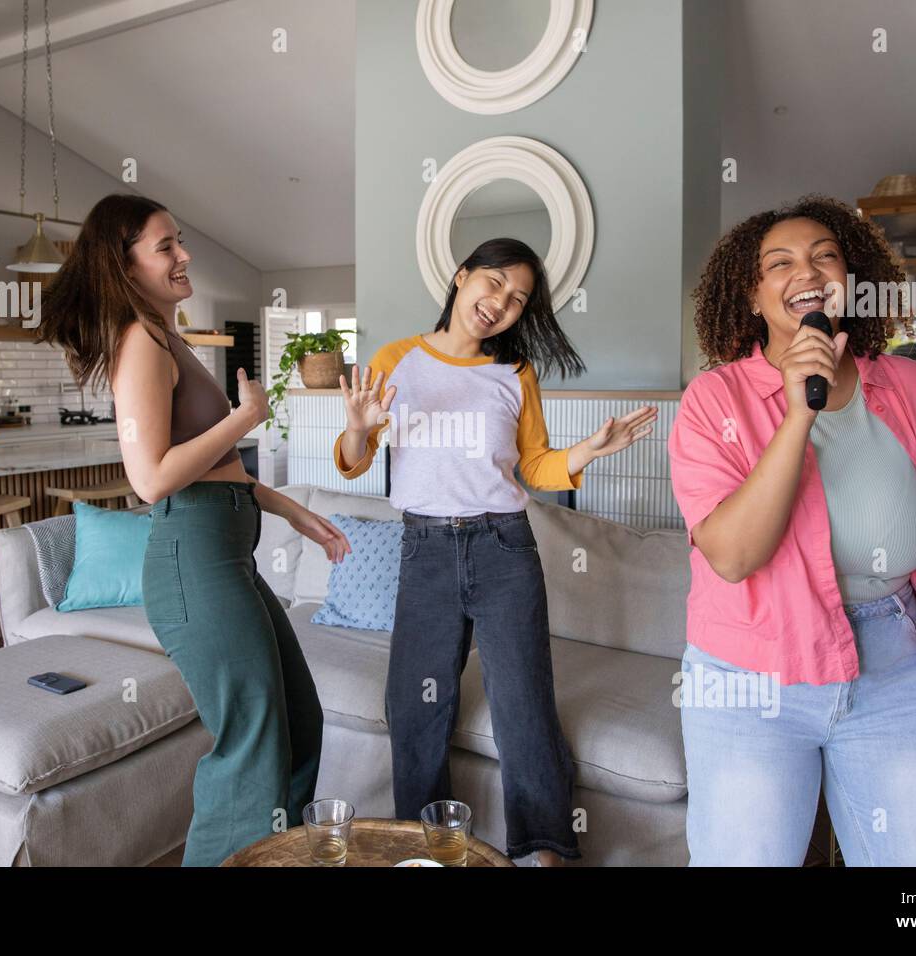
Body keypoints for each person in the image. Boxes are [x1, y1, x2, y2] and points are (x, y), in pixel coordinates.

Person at [668, 194, 916, 865]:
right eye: (780, 262)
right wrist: (797, 415)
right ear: (753, 297)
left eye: (826, 256)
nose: (809, 271)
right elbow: (733, 556)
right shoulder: (715, 400)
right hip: (750, 683)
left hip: (896, 673)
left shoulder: (913, 388)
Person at [37, 193, 351, 865]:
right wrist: (247, 416)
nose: (184, 255)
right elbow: (150, 478)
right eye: (165, 247)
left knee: (299, 722)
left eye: (180, 241)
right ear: (125, 269)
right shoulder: (140, 345)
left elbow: (209, 463)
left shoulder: (167, 337)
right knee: (252, 747)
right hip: (192, 561)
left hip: (223, 553)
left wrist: (294, 510)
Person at [334, 238, 658, 865]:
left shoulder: (515, 373)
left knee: (524, 706)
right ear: (460, 277)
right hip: (424, 547)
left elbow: (534, 463)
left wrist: (585, 452)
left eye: (518, 299)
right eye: (493, 283)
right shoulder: (396, 359)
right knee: (415, 706)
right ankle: (426, 852)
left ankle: (544, 852)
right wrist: (356, 426)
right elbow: (356, 460)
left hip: (503, 547)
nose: (501, 304)